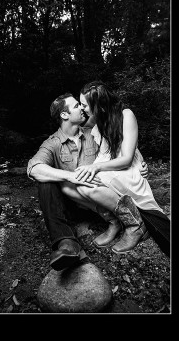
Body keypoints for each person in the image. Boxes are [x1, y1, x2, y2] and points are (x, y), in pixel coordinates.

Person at [27, 89, 167, 273]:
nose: (83, 109)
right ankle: (66, 242)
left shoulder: (93, 130)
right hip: (79, 201)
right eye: (77, 106)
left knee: (76, 182)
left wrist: (139, 163)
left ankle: (121, 222)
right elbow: (33, 167)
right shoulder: (52, 143)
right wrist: (70, 176)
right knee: (47, 182)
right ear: (64, 115)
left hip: (104, 193)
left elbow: (122, 142)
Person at [72, 81, 169, 255]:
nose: (82, 108)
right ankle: (115, 221)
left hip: (128, 170)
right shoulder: (97, 123)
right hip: (114, 169)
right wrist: (89, 169)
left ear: (99, 105)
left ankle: (135, 226)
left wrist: (96, 168)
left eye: (84, 104)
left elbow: (126, 158)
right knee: (77, 183)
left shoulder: (126, 115)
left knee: (89, 186)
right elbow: (104, 155)